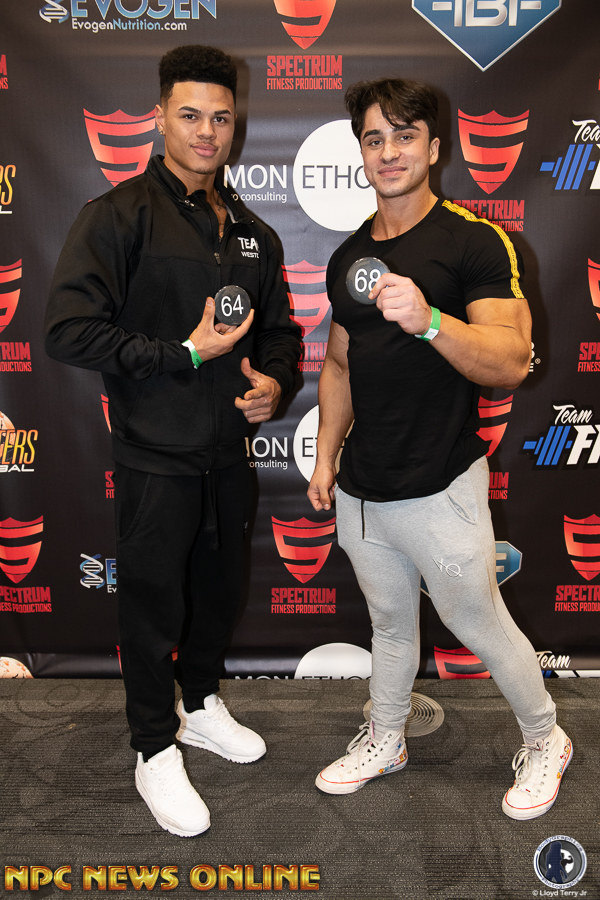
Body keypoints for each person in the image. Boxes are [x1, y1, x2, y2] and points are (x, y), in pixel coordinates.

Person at [45, 44, 301, 838]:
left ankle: (201, 705)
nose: (207, 132)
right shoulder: (117, 216)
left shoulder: (251, 230)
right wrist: (182, 354)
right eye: (190, 115)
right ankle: (154, 746)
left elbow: (282, 333)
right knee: (154, 607)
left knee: (218, 596)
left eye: (221, 118)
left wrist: (275, 383)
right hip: (155, 458)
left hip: (229, 458)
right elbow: (66, 330)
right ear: (159, 117)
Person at [307, 77, 572, 820]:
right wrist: (325, 457)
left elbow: (511, 360)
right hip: (363, 489)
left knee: (479, 621)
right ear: (360, 152)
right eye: (374, 138)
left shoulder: (474, 241)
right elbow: (338, 365)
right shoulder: (349, 256)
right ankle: (387, 737)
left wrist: (429, 321)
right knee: (389, 625)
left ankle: (546, 737)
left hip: (441, 485)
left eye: (404, 135)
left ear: (434, 147)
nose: (388, 151)